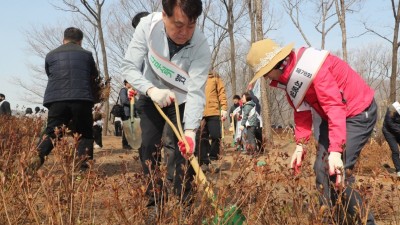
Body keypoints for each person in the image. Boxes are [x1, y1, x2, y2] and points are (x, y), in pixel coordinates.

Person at [246, 39, 377, 224]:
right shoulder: (289, 77)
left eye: (265, 74)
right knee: (321, 169)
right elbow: (302, 111)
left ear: (274, 66)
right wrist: (300, 145)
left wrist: (336, 151)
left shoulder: (312, 67)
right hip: (332, 116)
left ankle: (367, 222)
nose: (267, 78)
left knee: (339, 170)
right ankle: (329, 219)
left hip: (357, 111)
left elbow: (334, 106)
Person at [122, 0, 211, 216]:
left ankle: (185, 204)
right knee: (148, 150)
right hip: (151, 95)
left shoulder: (200, 44)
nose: (185, 33)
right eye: (178, 25)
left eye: (191, 26)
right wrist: (150, 89)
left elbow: (196, 91)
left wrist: (190, 131)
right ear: (164, 15)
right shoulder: (147, 26)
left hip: (181, 100)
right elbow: (129, 67)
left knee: (184, 155)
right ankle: (155, 203)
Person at [30, 27, 99, 172]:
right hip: (81, 98)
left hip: (56, 99)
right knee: (84, 133)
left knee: (52, 133)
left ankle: (37, 157)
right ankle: (82, 169)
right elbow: (94, 74)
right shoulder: (87, 55)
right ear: (80, 42)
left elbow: (50, 74)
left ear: (63, 40)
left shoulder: (50, 55)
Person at [196, 71, 228, 173]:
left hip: (213, 111)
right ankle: (203, 162)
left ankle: (213, 158)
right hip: (199, 112)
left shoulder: (215, 77)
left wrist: (223, 107)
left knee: (216, 135)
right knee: (201, 138)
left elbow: (221, 92)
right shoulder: (195, 76)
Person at [382, 101, 400, 177]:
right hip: (389, 132)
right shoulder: (393, 108)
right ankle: (399, 170)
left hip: (398, 131)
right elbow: (389, 123)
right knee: (395, 151)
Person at [119, 80, 134, 149]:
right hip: (125, 112)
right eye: (129, 82)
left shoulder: (129, 90)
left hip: (130, 112)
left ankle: (128, 143)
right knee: (126, 129)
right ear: (126, 83)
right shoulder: (123, 90)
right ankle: (125, 144)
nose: (131, 84)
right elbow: (124, 100)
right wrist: (132, 103)